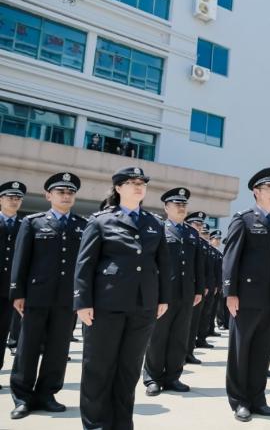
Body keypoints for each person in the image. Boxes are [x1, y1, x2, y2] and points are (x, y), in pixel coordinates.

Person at [75, 166, 171, 429]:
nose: (138, 186)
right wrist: (82, 302)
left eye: (142, 182)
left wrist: (163, 298)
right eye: (131, 182)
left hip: (143, 306)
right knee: (99, 369)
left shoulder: (154, 223)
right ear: (118, 188)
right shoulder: (100, 220)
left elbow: (163, 263)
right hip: (106, 305)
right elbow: (85, 264)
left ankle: (121, 423)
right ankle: (96, 424)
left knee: (128, 370)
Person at [9, 173, 86, 419]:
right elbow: (21, 260)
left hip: (67, 298)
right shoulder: (32, 222)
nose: (66, 196)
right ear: (48, 195)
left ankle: (47, 393)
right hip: (36, 295)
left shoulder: (82, 226)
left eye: (70, 192)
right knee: (27, 347)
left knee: (58, 348)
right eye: (61, 192)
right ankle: (22, 397)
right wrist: (17, 292)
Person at [222, 167, 270, 422]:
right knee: (241, 350)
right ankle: (240, 400)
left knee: (262, 351)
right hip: (246, 297)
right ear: (256, 192)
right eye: (269, 188)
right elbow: (231, 258)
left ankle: (258, 398)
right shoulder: (244, 219)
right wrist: (230, 292)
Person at [142, 188, 205, 396]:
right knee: (158, 336)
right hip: (163, 293)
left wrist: (198, 290)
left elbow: (198, 265)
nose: (181, 207)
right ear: (166, 207)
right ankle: (152, 378)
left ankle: (172, 377)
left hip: (186, 293)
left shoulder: (192, 233)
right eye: (177, 204)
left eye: (184, 204)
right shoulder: (158, 229)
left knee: (180, 336)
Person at [0, 180, 25, 383]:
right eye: (10, 197)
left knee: (2, 332)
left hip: (8, 289)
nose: (14, 201)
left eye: (18, 198)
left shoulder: (24, 225)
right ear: (1, 199)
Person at [184, 211, 211, 364]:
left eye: (201, 224)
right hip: (184, 288)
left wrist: (201, 288)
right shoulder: (188, 239)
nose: (200, 227)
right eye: (197, 224)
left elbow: (202, 269)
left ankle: (188, 352)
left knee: (193, 323)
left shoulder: (200, 243)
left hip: (196, 290)